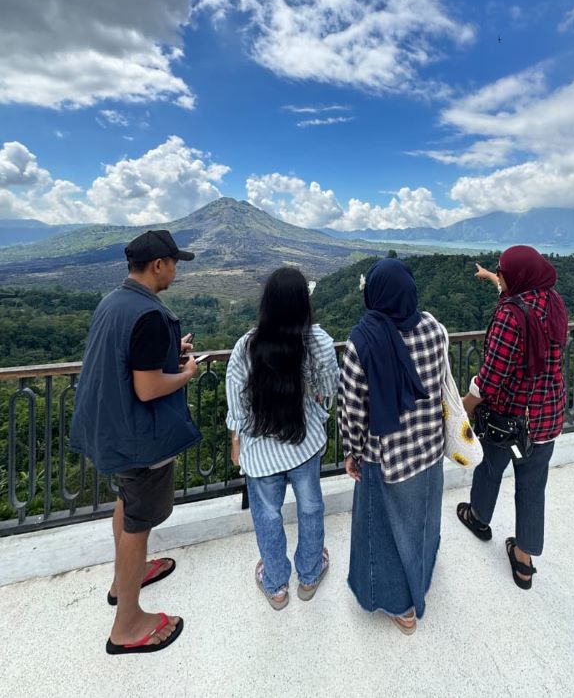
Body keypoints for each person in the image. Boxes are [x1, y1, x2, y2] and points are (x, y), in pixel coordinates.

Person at [70, 229, 202, 654]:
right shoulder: (148, 314)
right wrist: (185, 373)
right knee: (139, 524)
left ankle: (125, 576)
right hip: (138, 438)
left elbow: (128, 360)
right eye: (174, 262)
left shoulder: (114, 301)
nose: (176, 270)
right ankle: (127, 624)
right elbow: (147, 388)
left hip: (108, 429)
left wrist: (168, 351)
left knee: (126, 503)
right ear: (159, 265)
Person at [338, 258, 446, 636]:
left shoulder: (360, 343)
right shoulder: (434, 327)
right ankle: (424, 570)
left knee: (383, 532)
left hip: (387, 456)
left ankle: (402, 606)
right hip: (430, 444)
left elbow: (352, 408)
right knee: (424, 517)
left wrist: (351, 451)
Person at [225, 267, 339, 610]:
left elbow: (237, 399)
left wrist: (236, 441)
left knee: (268, 515)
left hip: (260, 452)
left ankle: (275, 584)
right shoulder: (317, 341)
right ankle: (309, 573)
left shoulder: (247, 345)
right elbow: (329, 388)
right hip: (304, 443)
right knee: (310, 507)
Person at [458, 246, 569, 589]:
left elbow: (491, 377)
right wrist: (493, 279)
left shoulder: (509, 316)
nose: (500, 276)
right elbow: (523, 300)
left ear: (516, 278)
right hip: (547, 417)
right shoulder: (552, 301)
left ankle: (478, 517)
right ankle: (524, 562)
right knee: (533, 488)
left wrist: (468, 402)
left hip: (510, 420)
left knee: (490, 468)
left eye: (501, 272)